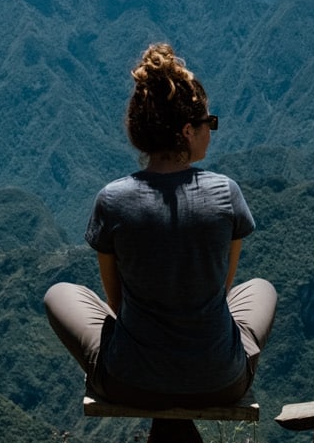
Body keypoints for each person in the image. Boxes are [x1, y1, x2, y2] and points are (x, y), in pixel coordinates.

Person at [44, 43, 276, 409]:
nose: (211, 131)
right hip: (220, 382)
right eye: (209, 123)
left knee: (59, 293)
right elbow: (222, 289)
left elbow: (116, 302)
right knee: (260, 289)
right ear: (187, 130)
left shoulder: (112, 200)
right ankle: (211, 356)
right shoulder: (225, 194)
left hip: (129, 382)